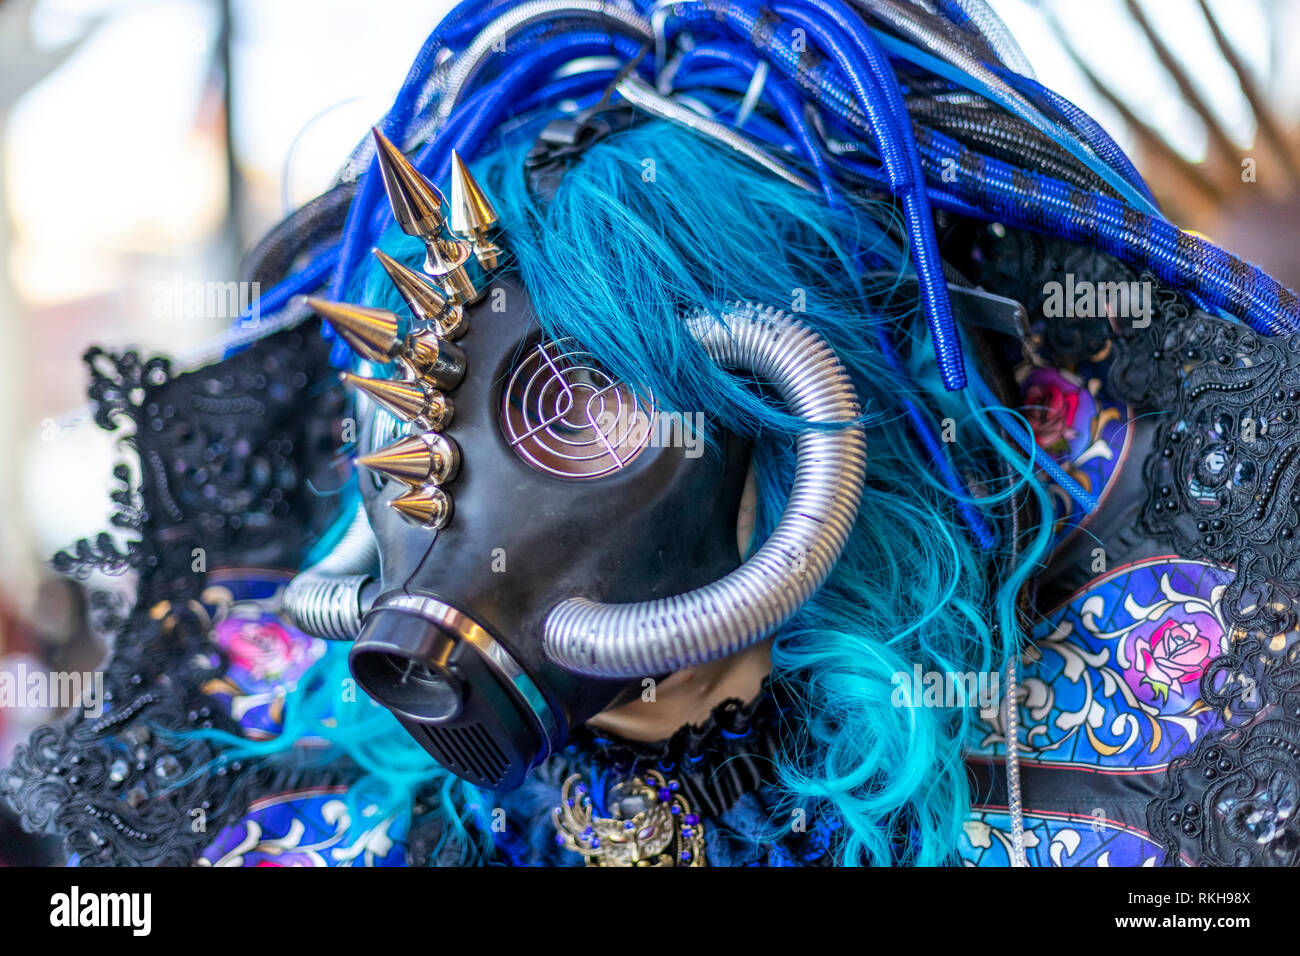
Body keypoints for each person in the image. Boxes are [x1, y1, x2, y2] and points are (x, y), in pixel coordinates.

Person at [4, 0, 1297, 867]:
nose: (477, 499)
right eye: (431, 404)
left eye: (578, 408)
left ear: (805, 445)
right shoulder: (293, 813)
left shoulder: (1066, 789)